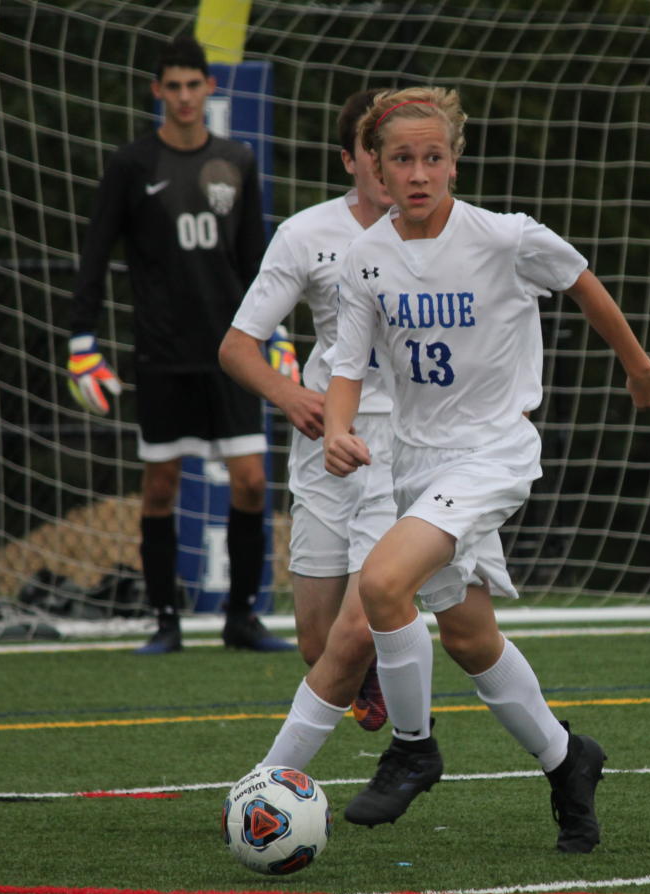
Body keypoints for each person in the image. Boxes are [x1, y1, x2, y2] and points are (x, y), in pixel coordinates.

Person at [320, 87, 650, 852]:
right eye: (403, 159)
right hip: (418, 461)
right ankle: (568, 761)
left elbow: (580, 280)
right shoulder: (365, 258)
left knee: (382, 584)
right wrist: (338, 429)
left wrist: (638, 366)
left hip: (494, 453)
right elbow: (349, 365)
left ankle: (413, 748)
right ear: (375, 168)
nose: (419, 173)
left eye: (434, 158)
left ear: (454, 161)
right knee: (470, 638)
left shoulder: (505, 238)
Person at [66, 33, 292, 655]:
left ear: (209, 88)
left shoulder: (238, 161)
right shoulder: (132, 164)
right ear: (157, 90)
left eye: (195, 85)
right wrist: (81, 338)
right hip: (162, 353)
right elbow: (94, 256)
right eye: (175, 86)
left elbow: (257, 264)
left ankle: (242, 618)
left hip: (233, 354)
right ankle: (164, 619)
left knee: (250, 482)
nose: (186, 96)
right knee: (161, 485)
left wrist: (278, 335)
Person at [218, 89, 397, 763]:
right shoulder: (305, 234)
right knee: (318, 644)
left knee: (364, 620)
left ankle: (286, 771)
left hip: (407, 447)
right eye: (377, 150)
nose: (392, 166)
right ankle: (376, 672)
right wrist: (290, 396)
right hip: (327, 438)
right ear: (351, 159)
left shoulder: (450, 231)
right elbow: (237, 346)